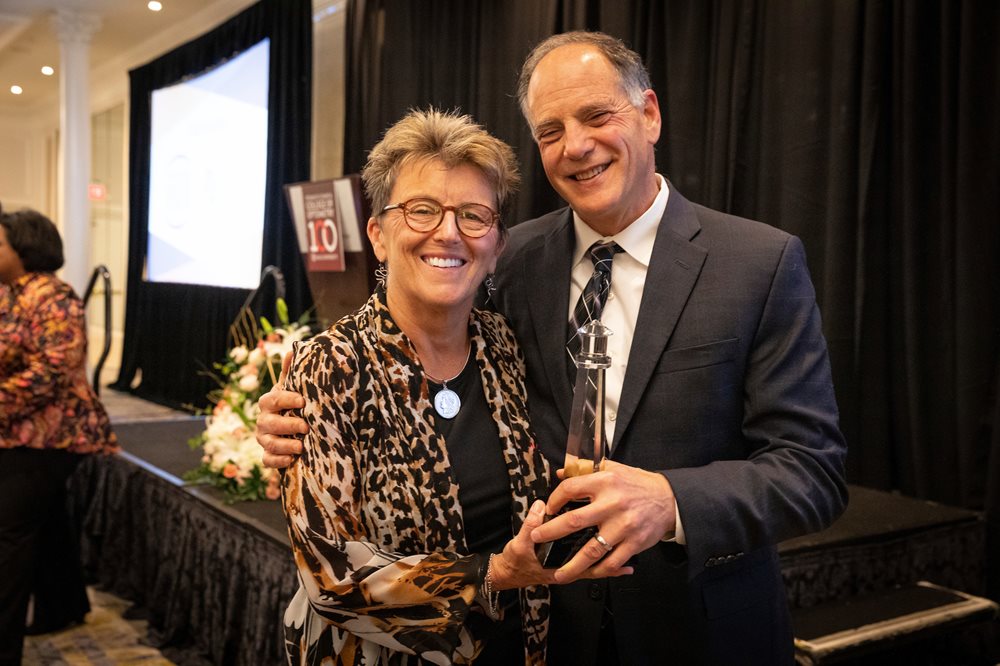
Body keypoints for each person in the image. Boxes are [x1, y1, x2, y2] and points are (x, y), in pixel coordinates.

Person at [259, 32, 848, 665]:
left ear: (649, 114)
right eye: (549, 131)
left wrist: (673, 500)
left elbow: (812, 470)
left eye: (597, 115)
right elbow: (415, 347)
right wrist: (298, 427)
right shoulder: (512, 265)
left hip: (699, 632)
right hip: (544, 633)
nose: (576, 145)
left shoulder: (758, 263)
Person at [277, 108, 629, 665]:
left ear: (496, 246)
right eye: (421, 210)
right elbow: (332, 577)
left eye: (473, 215)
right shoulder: (330, 366)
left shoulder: (508, 347)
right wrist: (492, 575)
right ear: (378, 235)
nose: (448, 232)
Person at [0, 206, 120, 664]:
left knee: (9, 532)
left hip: (56, 435)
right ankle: (63, 606)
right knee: (42, 520)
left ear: (26, 251)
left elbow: (52, 371)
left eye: (1, 245)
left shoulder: (54, 296)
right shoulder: (11, 292)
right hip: (23, 430)